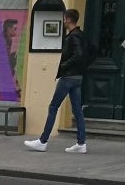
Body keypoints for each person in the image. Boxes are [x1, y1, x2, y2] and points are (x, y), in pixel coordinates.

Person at [26, 9, 88, 154]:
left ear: (67, 19)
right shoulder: (80, 35)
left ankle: (42, 141)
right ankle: (81, 143)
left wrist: (64, 66)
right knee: (77, 111)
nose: (64, 21)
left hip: (68, 77)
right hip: (77, 77)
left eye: (64, 19)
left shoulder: (74, 36)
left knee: (53, 107)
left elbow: (78, 55)